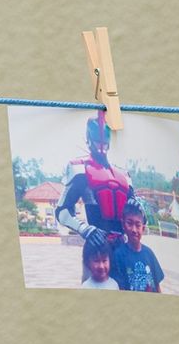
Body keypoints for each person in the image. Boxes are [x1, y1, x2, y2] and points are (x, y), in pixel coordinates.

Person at [54, 111, 136, 280]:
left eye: (104, 143)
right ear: (89, 140)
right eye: (98, 141)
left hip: (122, 246)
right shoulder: (80, 169)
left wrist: (139, 210)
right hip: (96, 245)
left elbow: (137, 215)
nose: (101, 147)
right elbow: (62, 211)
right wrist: (85, 229)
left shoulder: (123, 176)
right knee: (93, 289)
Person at [110, 197, 164, 293]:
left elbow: (157, 286)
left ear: (143, 228)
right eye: (129, 223)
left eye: (138, 225)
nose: (134, 230)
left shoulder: (149, 254)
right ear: (123, 225)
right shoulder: (118, 255)